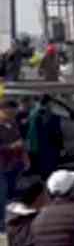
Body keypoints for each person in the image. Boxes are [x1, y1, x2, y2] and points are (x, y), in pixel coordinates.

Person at [0, 100, 30, 235]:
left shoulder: (12, 123)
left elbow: (20, 142)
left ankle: (6, 222)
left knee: (9, 194)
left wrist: (25, 158)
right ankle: (1, 226)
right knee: (2, 194)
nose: (13, 114)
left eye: (14, 112)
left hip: (11, 165)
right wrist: (10, 147)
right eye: (11, 111)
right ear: (3, 109)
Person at [25, 95, 63, 180]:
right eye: (52, 102)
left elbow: (30, 128)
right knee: (49, 161)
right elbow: (56, 130)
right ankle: (49, 178)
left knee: (44, 162)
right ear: (49, 102)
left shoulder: (34, 112)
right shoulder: (49, 114)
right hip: (49, 142)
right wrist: (61, 145)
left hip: (40, 142)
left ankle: (45, 177)